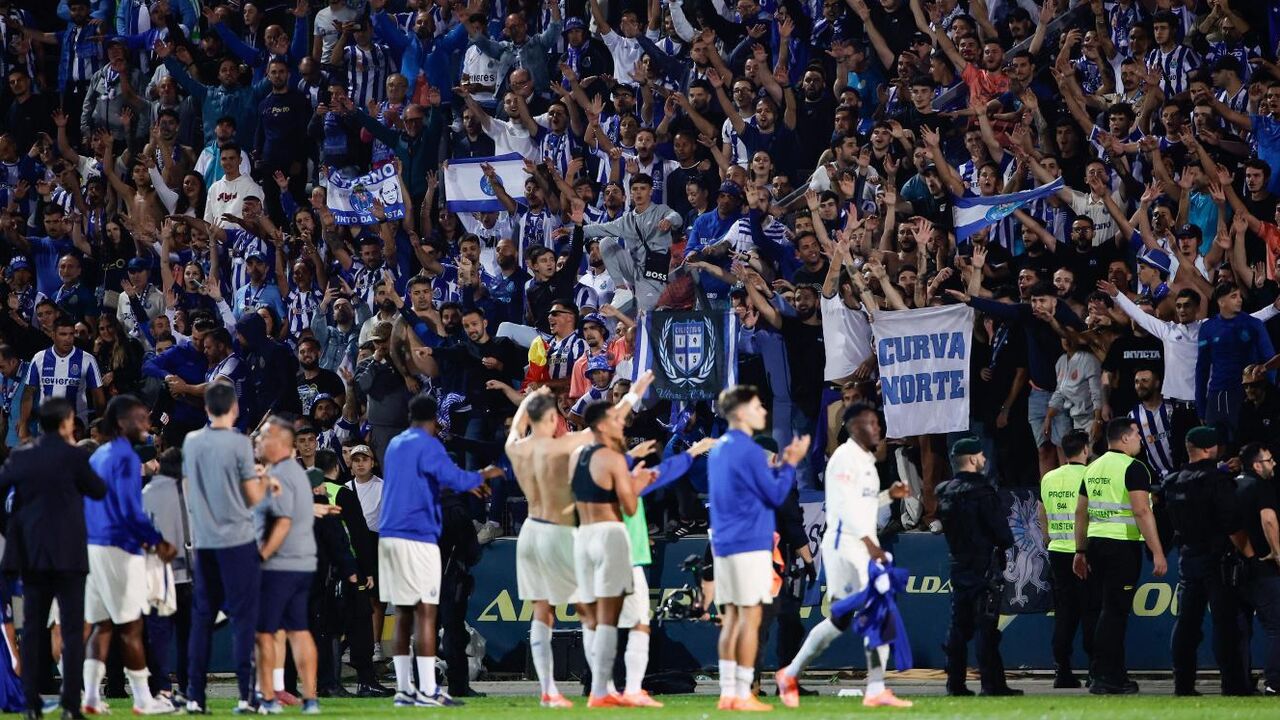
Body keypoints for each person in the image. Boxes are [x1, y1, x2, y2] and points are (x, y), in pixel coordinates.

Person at [776, 403, 911, 708]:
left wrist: (889, 496)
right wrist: (870, 545)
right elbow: (847, 508)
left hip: (854, 543)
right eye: (871, 423)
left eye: (878, 423)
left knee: (839, 620)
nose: (877, 428)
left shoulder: (864, 461)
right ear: (853, 428)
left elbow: (860, 504)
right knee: (880, 608)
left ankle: (790, 673)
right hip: (846, 545)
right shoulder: (843, 458)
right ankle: (876, 687)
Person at [378, 394, 502, 707]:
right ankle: (434, 689)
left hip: (391, 535)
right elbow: (453, 479)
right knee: (432, 616)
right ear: (434, 420)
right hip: (419, 537)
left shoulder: (394, 445)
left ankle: (406, 690)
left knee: (405, 614)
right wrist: (480, 476)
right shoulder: (429, 446)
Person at [0, 397, 107, 719]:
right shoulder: (74, 456)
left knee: (32, 630)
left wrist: (14, 523)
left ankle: (31, 705)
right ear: (66, 423)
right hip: (70, 556)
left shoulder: (21, 456)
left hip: (32, 555)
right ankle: (70, 707)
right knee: (73, 632)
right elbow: (98, 490)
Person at [707, 385, 809, 711]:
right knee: (750, 619)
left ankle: (729, 691)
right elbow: (778, 496)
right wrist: (791, 463)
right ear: (740, 412)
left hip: (724, 543)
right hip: (751, 543)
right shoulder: (750, 451)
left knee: (733, 618)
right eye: (756, 406)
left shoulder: (719, 448)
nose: (763, 411)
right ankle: (744, 693)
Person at [181, 383, 275, 714]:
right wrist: (265, 482)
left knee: (202, 617)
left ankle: (194, 695)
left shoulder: (191, 443)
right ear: (233, 408)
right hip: (237, 541)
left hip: (204, 541)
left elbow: (189, 489)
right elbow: (253, 497)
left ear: (206, 408)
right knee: (243, 618)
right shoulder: (238, 443)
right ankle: (246, 697)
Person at [83, 395, 176, 715]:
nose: (147, 425)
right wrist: (156, 540)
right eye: (140, 419)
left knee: (102, 625)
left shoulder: (99, 455)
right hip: (119, 547)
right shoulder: (123, 456)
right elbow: (129, 509)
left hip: (94, 545)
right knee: (132, 626)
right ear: (122, 422)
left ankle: (92, 696)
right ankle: (142, 699)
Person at [567, 397, 654, 708]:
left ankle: (600, 689)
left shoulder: (577, 455)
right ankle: (622, 690)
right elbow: (629, 506)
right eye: (616, 420)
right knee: (635, 618)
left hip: (583, 538)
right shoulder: (614, 458)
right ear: (602, 425)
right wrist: (637, 484)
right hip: (611, 536)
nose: (621, 424)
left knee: (592, 618)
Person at [1072, 417, 1168, 695]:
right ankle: (1105, 676)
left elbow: (1081, 512)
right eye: (1137, 434)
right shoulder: (1134, 468)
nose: (1140, 438)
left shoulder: (1092, 468)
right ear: (1124, 438)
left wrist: (1080, 550)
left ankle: (1112, 673)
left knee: (1107, 610)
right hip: (1122, 546)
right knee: (1115, 613)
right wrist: (1157, 551)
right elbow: (1142, 511)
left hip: (1097, 544)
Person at [1160, 426, 1249, 696]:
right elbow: (1233, 525)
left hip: (1187, 558)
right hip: (1218, 560)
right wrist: (1249, 555)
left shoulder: (1173, 482)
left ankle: (1182, 684)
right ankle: (1233, 685)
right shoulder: (1216, 481)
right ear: (1211, 448)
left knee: (1186, 622)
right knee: (1225, 624)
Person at [935, 437, 1019, 697]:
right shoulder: (983, 491)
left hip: (958, 565)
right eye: (981, 455)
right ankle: (991, 684)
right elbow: (1002, 534)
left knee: (958, 627)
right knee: (986, 627)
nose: (984, 459)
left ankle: (955, 684)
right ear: (972, 459)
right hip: (985, 567)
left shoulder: (944, 492)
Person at [253, 417, 321, 714]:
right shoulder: (298, 472)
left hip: (279, 565)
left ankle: (268, 698)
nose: (259, 443)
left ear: (279, 442)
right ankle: (311, 699)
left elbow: (282, 522)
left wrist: (260, 556)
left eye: (263, 438)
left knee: (265, 633)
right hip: (304, 563)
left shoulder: (280, 474)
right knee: (299, 631)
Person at [1036, 430, 1098, 689]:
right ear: (1085, 450)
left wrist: (1048, 539)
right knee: (1091, 612)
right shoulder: (1091, 476)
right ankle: (1096, 671)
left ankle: (1062, 672)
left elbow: (1041, 511)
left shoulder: (1049, 477)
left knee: (1064, 613)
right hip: (1084, 552)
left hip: (1057, 552)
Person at [1232, 442, 1280, 695]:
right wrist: (1277, 553)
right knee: (1276, 626)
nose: (1274, 464)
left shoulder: (1232, 486)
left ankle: (1239, 682)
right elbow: (1269, 520)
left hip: (1235, 568)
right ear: (1256, 464)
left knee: (1241, 629)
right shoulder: (1261, 486)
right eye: (1270, 460)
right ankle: (1275, 682)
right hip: (1262, 566)